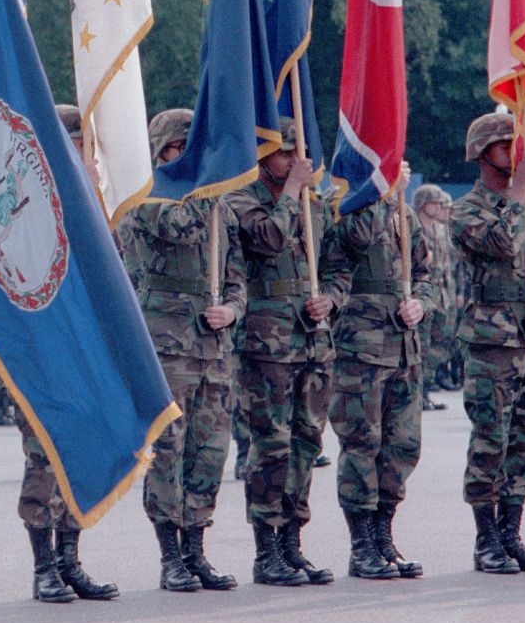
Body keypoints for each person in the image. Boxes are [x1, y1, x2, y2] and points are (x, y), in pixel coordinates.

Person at [120, 108, 246, 592]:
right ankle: (170, 555)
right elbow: (181, 228)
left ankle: (196, 549)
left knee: (209, 452)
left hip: (213, 347)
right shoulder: (147, 197)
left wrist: (232, 310)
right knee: (169, 452)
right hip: (167, 345)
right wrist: (207, 185)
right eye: (179, 150)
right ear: (159, 152)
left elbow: (236, 275)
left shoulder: (219, 206)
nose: (187, 158)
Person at [225, 116, 348, 587]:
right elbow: (268, 240)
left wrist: (331, 299)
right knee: (271, 446)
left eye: (299, 152)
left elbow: (338, 267)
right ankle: (266, 549)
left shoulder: (315, 206)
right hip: (266, 343)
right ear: (262, 156)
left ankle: (293, 543)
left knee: (305, 443)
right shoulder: (242, 201)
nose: (296, 160)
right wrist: (294, 191)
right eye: (284, 152)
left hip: (312, 341)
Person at [15, 105, 119, 605]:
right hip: (42, 348)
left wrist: (95, 202)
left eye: (85, 144)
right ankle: (44, 568)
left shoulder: (92, 199)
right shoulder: (26, 199)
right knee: (44, 457)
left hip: (86, 348)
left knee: (80, 454)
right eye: (76, 144)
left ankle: (70, 560)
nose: (84, 152)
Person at [452, 111, 525, 574]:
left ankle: (512, 531)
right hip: (492, 340)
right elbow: (499, 244)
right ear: (482, 153)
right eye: (505, 146)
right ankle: (486, 538)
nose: (516, 154)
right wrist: (519, 195)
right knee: (490, 439)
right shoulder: (467, 209)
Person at [321, 166, 434, 579]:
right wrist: (383, 197)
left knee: (402, 446)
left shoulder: (405, 215)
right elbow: (356, 240)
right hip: (360, 348)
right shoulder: (346, 206)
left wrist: (421, 303)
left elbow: (424, 274)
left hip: (404, 348)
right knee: (361, 445)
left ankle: (385, 536)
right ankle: (362, 544)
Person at [414, 183, 460, 397]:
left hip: (443, 293)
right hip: (423, 292)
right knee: (422, 343)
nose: (439, 207)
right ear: (423, 205)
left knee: (443, 339)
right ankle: (420, 390)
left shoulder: (441, 230)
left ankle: (428, 382)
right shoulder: (414, 228)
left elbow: (452, 262)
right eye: (434, 203)